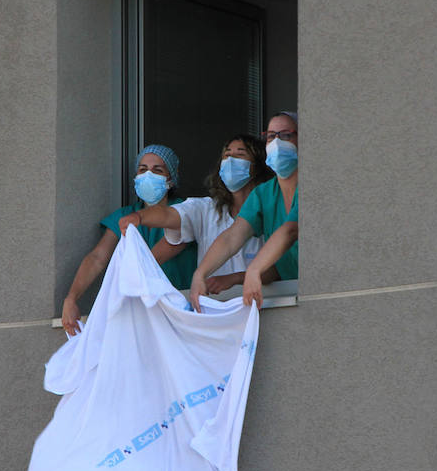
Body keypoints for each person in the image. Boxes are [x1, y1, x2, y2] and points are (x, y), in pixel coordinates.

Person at [60, 144, 196, 336]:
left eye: (157, 170)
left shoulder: (186, 210)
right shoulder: (125, 216)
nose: (148, 175)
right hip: (137, 316)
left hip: (182, 311)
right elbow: (98, 257)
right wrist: (71, 298)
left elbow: (177, 239)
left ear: (171, 179)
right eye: (142, 170)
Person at [120, 133, 278, 295]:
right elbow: (169, 215)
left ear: (257, 166)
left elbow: (278, 270)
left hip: (263, 306)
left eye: (240, 155)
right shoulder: (206, 209)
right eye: (227, 155)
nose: (230, 161)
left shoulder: (272, 211)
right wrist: (140, 217)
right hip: (213, 309)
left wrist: (235, 278)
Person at [189, 110, 299, 309]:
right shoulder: (263, 194)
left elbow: (291, 230)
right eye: (271, 136)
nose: (277, 143)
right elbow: (232, 237)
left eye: (286, 135)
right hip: (295, 294)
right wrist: (200, 274)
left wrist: (253, 270)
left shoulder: (313, 186)